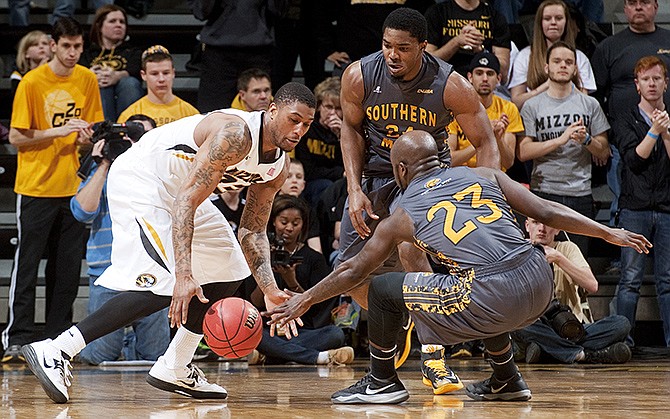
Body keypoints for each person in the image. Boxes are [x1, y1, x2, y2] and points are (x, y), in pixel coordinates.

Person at [267, 130, 651, 404]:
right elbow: (548, 210)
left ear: (400, 171)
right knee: (470, 281)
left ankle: (382, 381)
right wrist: (607, 232)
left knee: (385, 290)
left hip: (488, 293)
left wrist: (303, 300)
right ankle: (506, 378)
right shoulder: (485, 174)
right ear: (441, 159)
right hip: (538, 280)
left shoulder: (402, 214)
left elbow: (352, 270)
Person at [20, 82, 316, 403]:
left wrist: (270, 289)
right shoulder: (235, 134)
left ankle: (174, 365)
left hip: (184, 194)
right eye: (293, 119)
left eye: (307, 124)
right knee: (166, 282)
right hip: (144, 181)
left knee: (229, 268)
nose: (299, 129)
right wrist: (185, 274)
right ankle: (57, 349)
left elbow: (252, 231)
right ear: (272, 111)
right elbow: (185, 202)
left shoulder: (277, 166)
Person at [335, 7, 501, 394]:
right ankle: (404, 319)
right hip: (376, 176)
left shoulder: (451, 84)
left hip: (429, 180)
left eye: (403, 48)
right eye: (387, 45)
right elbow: (351, 130)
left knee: (412, 253)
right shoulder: (359, 75)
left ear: (423, 47)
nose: (392, 54)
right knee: (352, 275)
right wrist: (354, 188)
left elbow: (485, 141)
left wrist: (488, 192)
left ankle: (434, 360)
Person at [2, 17, 104, 363]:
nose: (74, 53)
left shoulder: (87, 78)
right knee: (27, 265)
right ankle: (17, 338)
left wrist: (87, 138)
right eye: (68, 46)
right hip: (35, 186)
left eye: (78, 47)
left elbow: (91, 131)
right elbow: (16, 137)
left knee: (66, 269)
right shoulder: (32, 82)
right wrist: (58, 132)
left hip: (74, 187)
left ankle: (58, 340)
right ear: (53, 44)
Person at [70, 117, 170, 365]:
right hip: (107, 269)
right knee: (99, 356)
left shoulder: (164, 167)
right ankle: (126, 345)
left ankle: (130, 346)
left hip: (152, 267)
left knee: (155, 356)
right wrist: (104, 164)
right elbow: (82, 211)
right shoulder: (105, 168)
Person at [518, 41, 610, 256]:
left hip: (580, 192)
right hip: (544, 191)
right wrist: (560, 140)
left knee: (578, 264)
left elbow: (604, 152)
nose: (563, 65)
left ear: (576, 68)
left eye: (569, 62)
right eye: (557, 61)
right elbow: (523, 152)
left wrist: (587, 140)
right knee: (541, 262)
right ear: (546, 67)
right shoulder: (532, 105)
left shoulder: (589, 104)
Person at [591, 0, 670, 232]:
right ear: (624, 9)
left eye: (644, 2)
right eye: (632, 3)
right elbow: (596, 98)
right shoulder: (608, 47)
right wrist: (601, 138)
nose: (638, 7)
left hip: (667, 135)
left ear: (656, 7)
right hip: (624, 140)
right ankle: (621, 258)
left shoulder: (668, 40)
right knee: (623, 202)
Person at [247, 195, 354, 366]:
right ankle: (318, 357)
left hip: (304, 330)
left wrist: (291, 281)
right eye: (284, 222)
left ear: (303, 225)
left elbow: (318, 306)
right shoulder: (261, 257)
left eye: (295, 223)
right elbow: (254, 303)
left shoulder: (314, 259)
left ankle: (269, 356)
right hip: (270, 329)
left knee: (335, 334)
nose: (289, 228)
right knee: (253, 334)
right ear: (273, 221)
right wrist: (267, 279)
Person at [512, 218, 632, 364]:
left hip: (571, 328)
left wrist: (558, 258)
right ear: (527, 226)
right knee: (520, 326)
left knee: (621, 323)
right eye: (536, 222)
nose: (542, 228)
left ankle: (547, 351)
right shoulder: (517, 251)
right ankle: (584, 355)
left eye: (548, 223)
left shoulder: (567, 248)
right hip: (536, 325)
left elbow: (592, 285)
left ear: (557, 229)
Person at [613, 56, 670, 347]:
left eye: (656, 78)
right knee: (630, 280)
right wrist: (654, 131)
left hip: (666, 209)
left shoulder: (669, 118)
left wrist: (666, 133)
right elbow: (634, 160)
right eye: (645, 79)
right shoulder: (626, 117)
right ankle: (625, 342)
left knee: (668, 281)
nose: (651, 84)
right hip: (634, 208)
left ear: (665, 83)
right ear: (637, 85)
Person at [190, 0, 286, 112]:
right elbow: (200, 12)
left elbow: (279, 11)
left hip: (258, 52)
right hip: (218, 55)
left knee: (261, 115)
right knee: (213, 114)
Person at [509, 0, 596, 110]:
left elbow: (586, 103)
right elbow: (516, 102)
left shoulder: (580, 58)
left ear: (566, 22)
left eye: (559, 18)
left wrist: (565, 85)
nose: (553, 22)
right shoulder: (525, 56)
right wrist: (546, 86)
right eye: (547, 18)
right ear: (540, 23)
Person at [447, 52, 523, 170]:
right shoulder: (457, 108)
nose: (485, 79)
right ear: (470, 77)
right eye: (479, 73)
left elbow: (508, 163)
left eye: (490, 74)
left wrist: (497, 138)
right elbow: (450, 159)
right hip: (462, 176)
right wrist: (484, 139)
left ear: (498, 79)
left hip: (494, 176)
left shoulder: (508, 109)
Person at [79, 4, 144, 121]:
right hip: (97, 95)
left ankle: (128, 128)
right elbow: (77, 74)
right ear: (99, 26)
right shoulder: (87, 54)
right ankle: (104, 131)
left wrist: (117, 76)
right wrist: (89, 75)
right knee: (100, 85)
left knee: (129, 82)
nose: (118, 25)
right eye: (112, 21)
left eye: (122, 22)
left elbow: (138, 70)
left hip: (125, 94)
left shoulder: (134, 52)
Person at [424, 0, 511, 83]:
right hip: (444, 82)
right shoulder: (437, 13)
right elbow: (427, 63)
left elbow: (503, 73)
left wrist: (481, 51)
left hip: (483, 86)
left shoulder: (495, 17)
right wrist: (456, 42)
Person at [117, 45, 200, 127]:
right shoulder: (129, 115)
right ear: (143, 75)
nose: (161, 79)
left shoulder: (191, 114)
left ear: (173, 73)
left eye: (166, 73)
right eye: (154, 74)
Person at [294, 76, 344, 207]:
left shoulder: (348, 131)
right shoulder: (306, 128)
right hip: (311, 183)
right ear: (319, 106)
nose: (333, 113)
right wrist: (339, 173)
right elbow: (308, 170)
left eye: (338, 108)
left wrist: (342, 136)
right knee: (325, 186)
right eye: (328, 107)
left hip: (339, 182)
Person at [279, 158, 322, 254]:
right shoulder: (267, 207)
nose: (294, 181)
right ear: (278, 181)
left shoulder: (309, 211)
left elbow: (316, 248)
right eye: (288, 176)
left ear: (303, 185)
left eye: (299, 177)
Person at [10, 30, 51, 103]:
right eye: (35, 44)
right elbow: (20, 101)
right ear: (26, 53)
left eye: (45, 44)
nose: (41, 47)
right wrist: (38, 72)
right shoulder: (18, 76)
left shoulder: (57, 72)